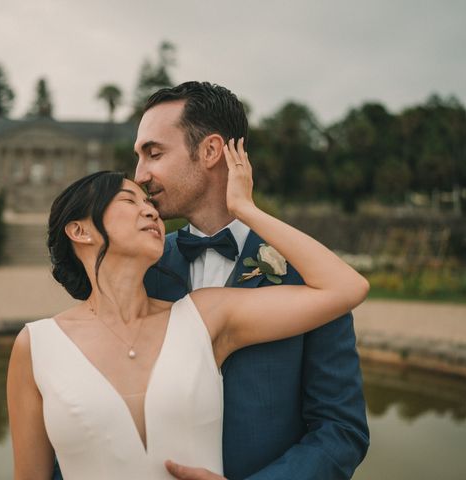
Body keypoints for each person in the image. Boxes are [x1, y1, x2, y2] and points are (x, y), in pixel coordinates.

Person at [6, 138, 370, 479]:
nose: (150, 209)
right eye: (130, 200)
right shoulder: (36, 346)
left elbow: (348, 287)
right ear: (80, 231)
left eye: (149, 202)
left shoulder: (202, 316)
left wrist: (245, 209)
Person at [135, 82, 370, 480]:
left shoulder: (309, 272)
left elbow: (340, 430)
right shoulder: (142, 266)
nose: (139, 175)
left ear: (210, 152)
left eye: (153, 154)